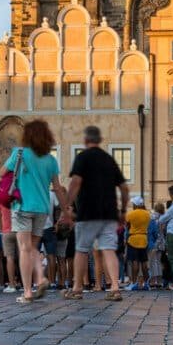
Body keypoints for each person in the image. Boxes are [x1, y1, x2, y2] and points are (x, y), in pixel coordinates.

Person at [3, 118, 68, 303]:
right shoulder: (51, 160)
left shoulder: (19, 153)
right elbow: (57, 187)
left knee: (24, 249)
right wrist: (65, 211)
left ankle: (27, 292)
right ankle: (40, 278)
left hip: (22, 206)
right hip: (42, 209)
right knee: (32, 247)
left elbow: (2, 172)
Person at [65, 125, 125, 301]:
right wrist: (122, 210)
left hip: (87, 212)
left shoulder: (82, 158)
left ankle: (77, 289)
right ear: (100, 140)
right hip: (109, 213)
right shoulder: (109, 159)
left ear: (85, 140)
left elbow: (75, 182)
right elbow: (124, 187)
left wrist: (67, 207)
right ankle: (114, 288)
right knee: (109, 250)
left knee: (82, 250)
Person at [125, 194, 151, 290]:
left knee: (135, 262)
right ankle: (146, 284)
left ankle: (134, 283)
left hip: (133, 239)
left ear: (135, 204)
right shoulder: (147, 214)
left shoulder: (131, 214)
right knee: (144, 262)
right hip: (144, 239)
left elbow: (127, 225)